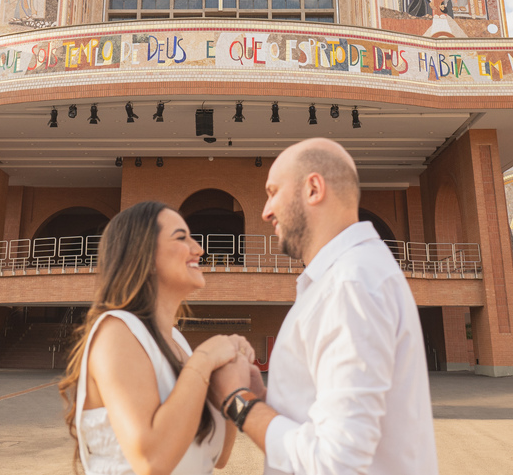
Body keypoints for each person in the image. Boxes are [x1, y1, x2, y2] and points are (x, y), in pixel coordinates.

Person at [210, 138, 438, 474]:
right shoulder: (346, 279)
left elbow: (337, 462)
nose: (266, 210)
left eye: (273, 192)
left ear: (313, 189)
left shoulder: (350, 285)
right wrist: (265, 400)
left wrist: (239, 403)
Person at [60, 201, 256, 474]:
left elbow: (218, 457)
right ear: (144, 256)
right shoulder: (116, 331)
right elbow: (151, 461)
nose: (199, 249)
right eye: (181, 237)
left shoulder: (178, 341)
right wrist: (204, 360)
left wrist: (234, 385)